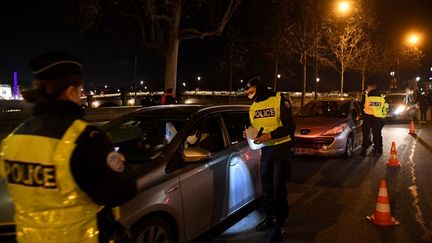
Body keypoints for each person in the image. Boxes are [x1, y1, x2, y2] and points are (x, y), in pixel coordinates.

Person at [0, 52, 137, 243]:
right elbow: (123, 190)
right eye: (80, 91)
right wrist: (120, 163)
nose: (81, 98)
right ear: (71, 92)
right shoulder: (84, 138)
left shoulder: (13, 139)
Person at [243, 77, 295, 242]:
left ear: (259, 88)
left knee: (278, 187)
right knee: (266, 186)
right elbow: (258, 127)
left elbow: (290, 127)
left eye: (251, 91)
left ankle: (280, 223)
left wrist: (270, 135)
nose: (249, 95)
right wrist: (250, 134)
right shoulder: (254, 107)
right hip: (266, 150)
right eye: (247, 92)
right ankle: (269, 217)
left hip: (282, 149)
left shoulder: (279, 99)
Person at [360, 81, 388, 156]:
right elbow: (384, 107)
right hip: (378, 118)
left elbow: (362, 106)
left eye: (368, 88)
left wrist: (363, 115)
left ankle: (364, 151)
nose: (367, 89)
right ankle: (376, 150)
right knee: (377, 134)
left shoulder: (367, 96)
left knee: (366, 134)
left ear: (371, 88)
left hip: (368, 117)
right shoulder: (381, 97)